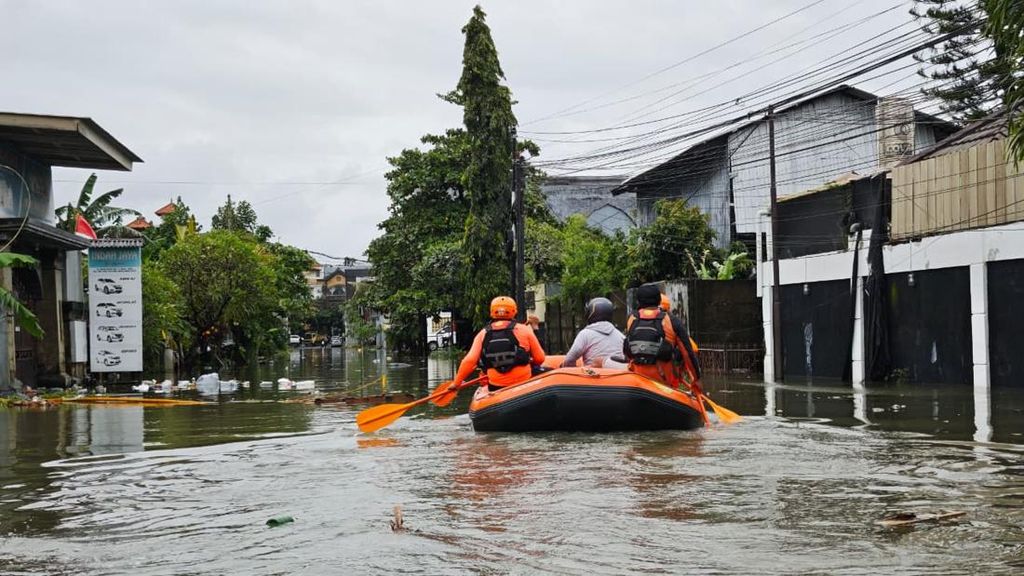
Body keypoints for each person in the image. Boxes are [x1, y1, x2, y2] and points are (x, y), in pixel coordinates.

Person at [449, 296, 546, 391]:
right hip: (523, 381)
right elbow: (540, 359)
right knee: (550, 370)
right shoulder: (524, 330)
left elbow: (469, 361)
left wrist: (457, 383)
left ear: (492, 312)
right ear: (514, 311)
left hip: (496, 386)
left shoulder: (482, 334)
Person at [623, 284, 701, 389]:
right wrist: (696, 380)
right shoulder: (672, 321)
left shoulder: (631, 319)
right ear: (659, 300)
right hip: (663, 383)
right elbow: (688, 353)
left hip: (637, 381)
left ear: (639, 301)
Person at [562, 297, 624, 368]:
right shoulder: (621, 336)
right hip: (617, 376)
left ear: (590, 313)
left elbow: (569, 360)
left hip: (593, 376)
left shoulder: (585, 334)